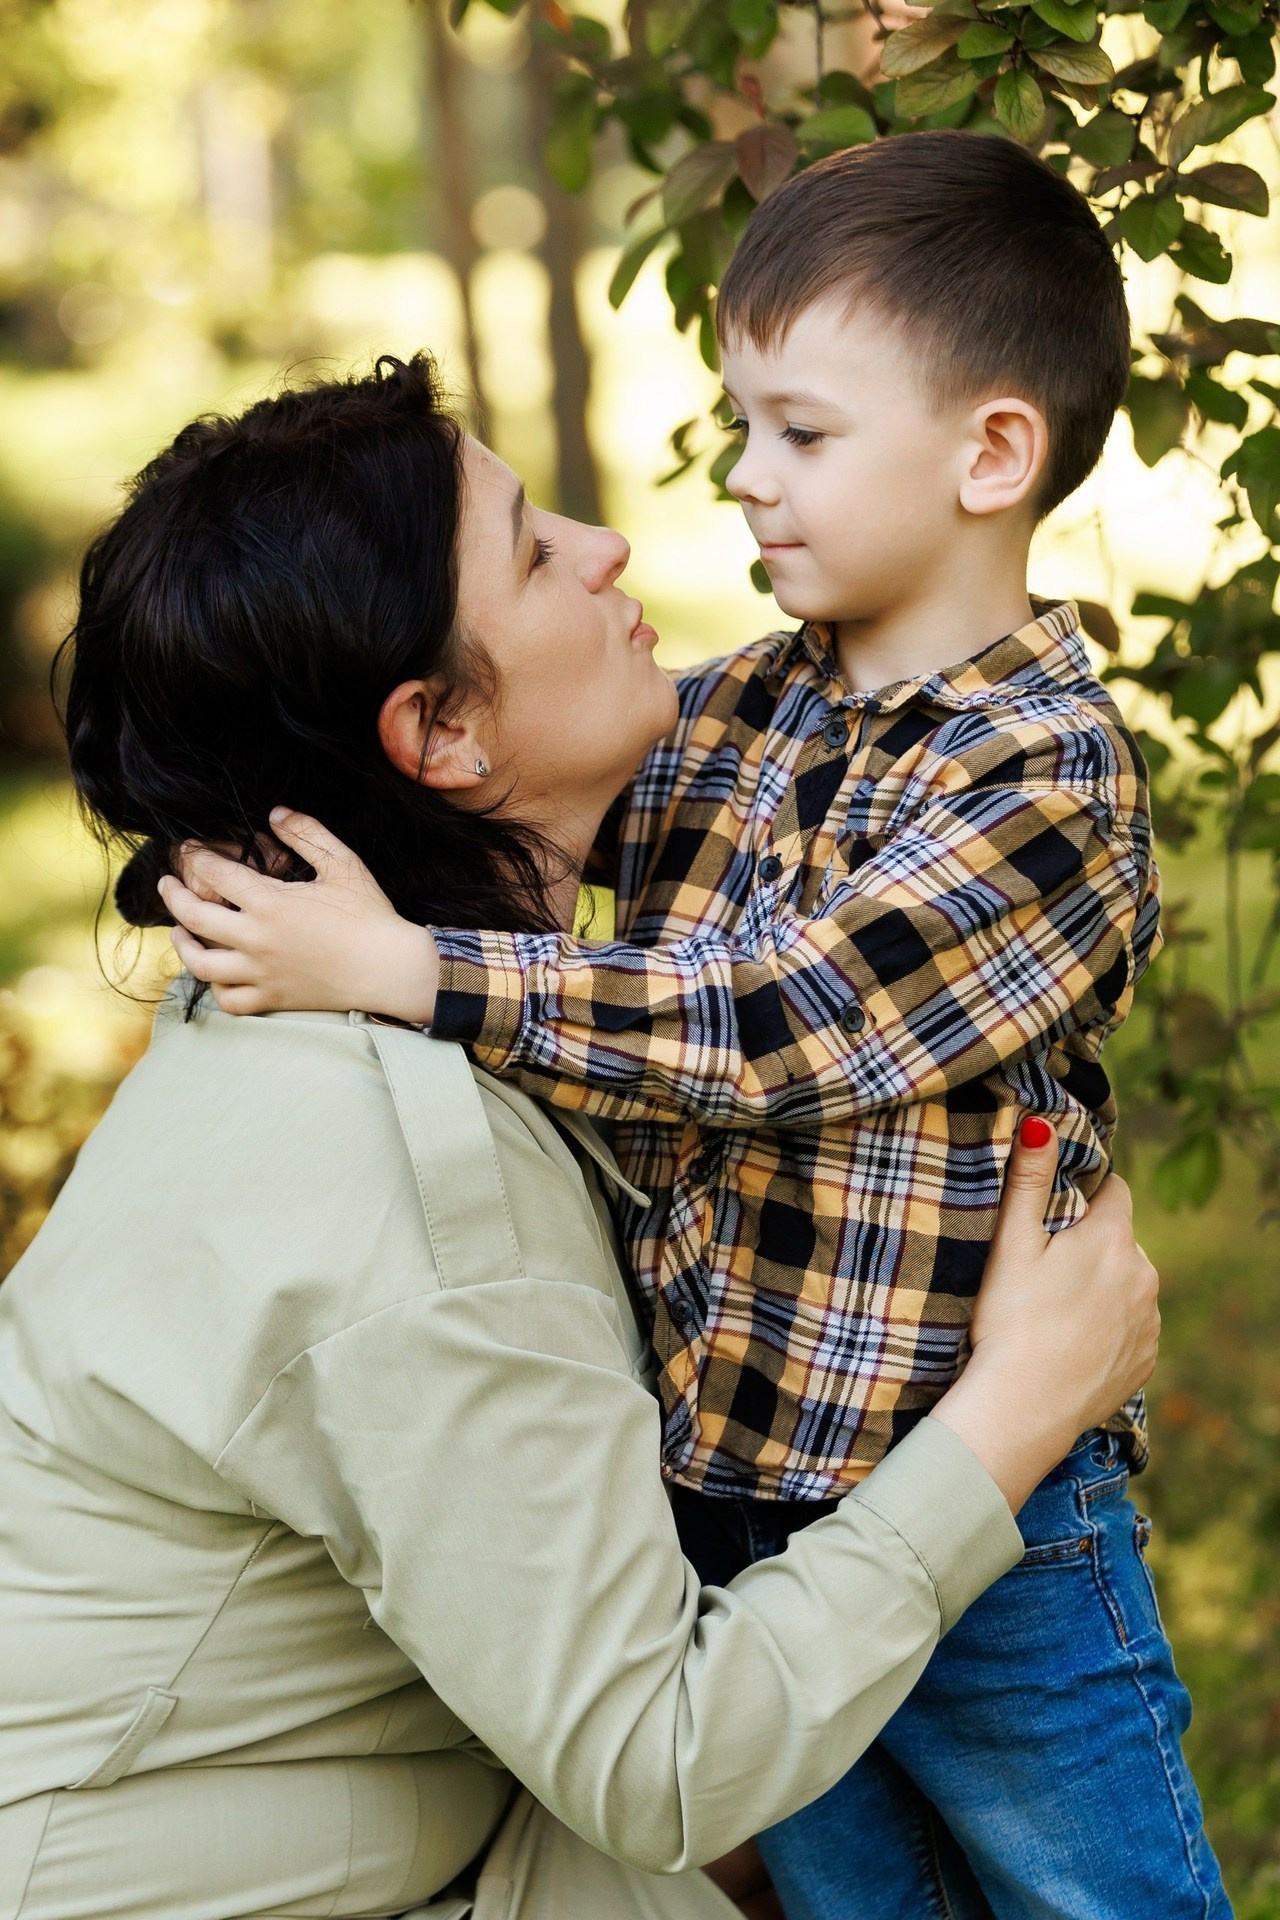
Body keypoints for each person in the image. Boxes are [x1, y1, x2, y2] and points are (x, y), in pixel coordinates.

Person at [165, 136, 1227, 1917]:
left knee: (1093, 1901)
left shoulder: (1047, 777)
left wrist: (400, 970)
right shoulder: (732, 717)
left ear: (993, 456)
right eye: (743, 425)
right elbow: (508, 848)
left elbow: (773, 1023)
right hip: (732, 1512)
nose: (743, 481)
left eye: (802, 434)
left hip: (992, 1520)